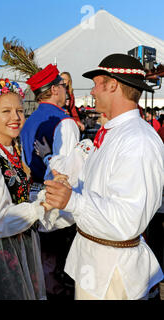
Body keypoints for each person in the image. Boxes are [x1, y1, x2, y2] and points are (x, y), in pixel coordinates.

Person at [44, 53, 164, 300]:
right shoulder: (113, 133)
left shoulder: (137, 140)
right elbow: (97, 194)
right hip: (96, 264)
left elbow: (128, 220)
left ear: (113, 84)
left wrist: (73, 201)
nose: (93, 90)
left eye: (97, 82)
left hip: (114, 272)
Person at [0, 79, 69, 300]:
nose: (16, 117)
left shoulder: (8, 154)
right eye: (6, 111)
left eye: (20, 110)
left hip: (16, 245)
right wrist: (41, 205)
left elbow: (17, 200)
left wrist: (51, 194)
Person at [20, 64, 80, 298]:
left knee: (40, 258)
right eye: (63, 86)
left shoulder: (29, 120)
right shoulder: (64, 122)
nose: (67, 91)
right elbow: (67, 172)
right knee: (53, 266)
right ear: (54, 89)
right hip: (55, 200)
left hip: (33, 193)